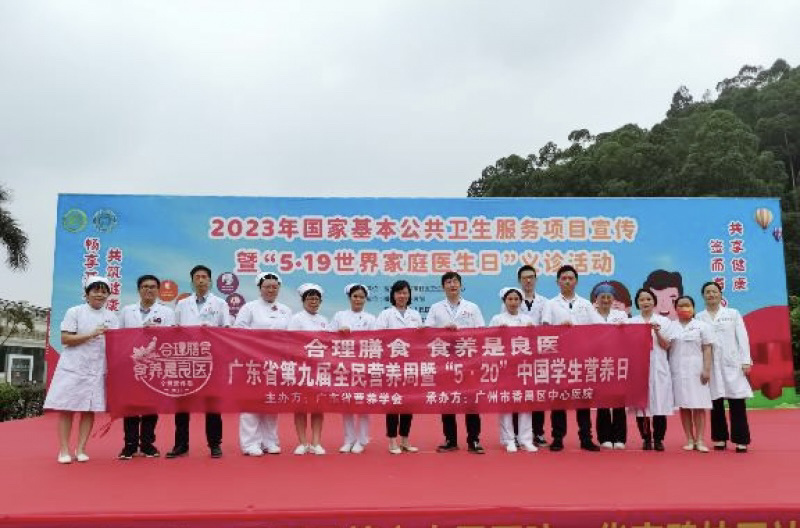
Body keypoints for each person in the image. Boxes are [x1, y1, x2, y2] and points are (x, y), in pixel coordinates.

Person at [44, 277, 119, 464]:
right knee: (67, 408)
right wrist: (92, 334)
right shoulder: (75, 312)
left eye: (104, 291)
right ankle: (64, 449)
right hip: (74, 367)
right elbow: (66, 339)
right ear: (87, 294)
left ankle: (81, 448)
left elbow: (116, 343)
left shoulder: (112, 317)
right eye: (96, 291)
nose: (100, 294)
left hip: (97, 368)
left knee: (89, 409)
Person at [167, 265, 232, 459]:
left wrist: (211, 329)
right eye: (197, 277)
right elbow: (174, 330)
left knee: (212, 403)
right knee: (182, 404)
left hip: (211, 359)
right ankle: (181, 445)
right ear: (192, 281)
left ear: (210, 281)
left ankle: (215, 444)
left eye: (204, 277)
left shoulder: (220, 304)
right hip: (186, 359)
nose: (201, 280)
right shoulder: (182, 304)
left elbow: (227, 330)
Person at [541, 265, 603, 452]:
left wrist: (620, 325)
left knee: (583, 398)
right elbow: (545, 329)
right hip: (559, 358)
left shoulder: (585, 304)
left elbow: (600, 326)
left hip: (581, 358)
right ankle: (558, 438)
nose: (567, 281)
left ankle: (586, 438)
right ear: (557, 282)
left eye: (570, 278)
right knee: (559, 400)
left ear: (576, 281)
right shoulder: (550, 304)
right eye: (564, 278)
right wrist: (559, 328)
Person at [426, 271, 486, 454]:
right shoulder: (436, 308)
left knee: (471, 401)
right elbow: (428, 332)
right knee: (447, 400)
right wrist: (443, 330)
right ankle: (450, 440)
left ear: (461, 285)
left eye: (455, 282)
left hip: (468, 359)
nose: (452, 285)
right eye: (448, 282)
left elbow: (481, 331)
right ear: (443, 286)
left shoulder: (472, 307)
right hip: (444, 360)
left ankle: (474, 439)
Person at [117, 274, 176, 460]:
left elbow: (172, 338)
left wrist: (159, 332)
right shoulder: (127, 311)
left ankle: (147, 444)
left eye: (152, 287)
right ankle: (129, 445)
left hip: (154, 364)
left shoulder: (167, 312)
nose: (148, 290)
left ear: (158, 291)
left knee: (151, 405)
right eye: (145, 286)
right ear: (139, 290)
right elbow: (118, 337)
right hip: (130, 363)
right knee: (130, 405)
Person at [233, 272, 292, 456]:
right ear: (260, 288)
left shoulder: (285, 310)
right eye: (267, 287)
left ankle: (270, 441)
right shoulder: (249, 308)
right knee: (251, 403)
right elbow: (238, 332)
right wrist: (260, 341)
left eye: (274, 287)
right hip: (254, 362)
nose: (271, 290)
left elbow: (291, 336)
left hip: (276, 363)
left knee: (271, 401)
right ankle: (250, 443)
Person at [696, 281, 753, 453]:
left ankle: (741, 440)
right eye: (707, 292)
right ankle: (720, 438)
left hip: (732, 363)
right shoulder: (699, 317)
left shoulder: (732, 314)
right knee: (716, 402)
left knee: (737, 402)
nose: (711, 294)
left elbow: (742, 338)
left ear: (720, 294)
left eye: (714, 291)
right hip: (711, 365)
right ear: (703, 296)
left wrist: (746, 360)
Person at [374, 279, 422, 455]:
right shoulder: (386, 314)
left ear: (409, 295)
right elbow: (378, 337)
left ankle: (405, 439)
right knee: (394, 402)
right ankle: (392, 440)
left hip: (410, 365)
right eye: (399, 292)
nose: (402, 296)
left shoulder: (415, 315)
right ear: (393, 295)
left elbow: (420, 340)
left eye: (405, 292)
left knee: (408, 404)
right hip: (392, 366)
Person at [328, 283, 376, 454]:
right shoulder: (340, 316)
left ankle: (361, 440)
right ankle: (349, 439)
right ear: (349, 298)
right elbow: (327, 337)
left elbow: (375, 341)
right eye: (355, 296)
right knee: (346, 403)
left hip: (363, 366)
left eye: (361, 297)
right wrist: (338, 332)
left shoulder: (371, 319)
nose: (358, 300)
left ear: (365, 299)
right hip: (343, 366)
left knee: (362, 404)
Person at [491, 287, 537, 453]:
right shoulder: (497, 319)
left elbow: (536, 343)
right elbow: (488, 341)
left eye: (516, 299)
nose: (513, 302)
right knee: (507, 403)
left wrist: (532, 332)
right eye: (510, 299)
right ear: (504, 301)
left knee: (525, 403)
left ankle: (526, 439)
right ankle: (508, 439)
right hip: (505, 367)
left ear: (521, 301)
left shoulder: (528, 320)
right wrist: (498, 332)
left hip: (524, 367)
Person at [629, 288, 674, 451]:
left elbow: (667, 345)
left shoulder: (664, 322)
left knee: (660, 404)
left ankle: (659, 439)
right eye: (642, 300)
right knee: (642, 406)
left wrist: (657, 332)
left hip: (658, 367)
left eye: (648, 299)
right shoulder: (631, 322)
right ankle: (646, 439)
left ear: (654, 302)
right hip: (639, 369)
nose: (645, 302)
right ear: (637, 303)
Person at [668, 295, 714, 452]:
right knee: (684, 406)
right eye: (680, 306)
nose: (684, 308)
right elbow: (666, 347)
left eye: (687, 305)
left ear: (693, 307)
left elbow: (707, 348)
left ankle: (700, 440)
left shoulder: (702, 326)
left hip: (697, 370)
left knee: (699, 405)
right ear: (675, 309)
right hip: (678, 370)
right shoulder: (671, 326)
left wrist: (706, 369)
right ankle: (689, 439)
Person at [287, 283, 328, 455]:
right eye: (310, 299)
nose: (313, 302)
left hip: (319, 369)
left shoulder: (324, 320)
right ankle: (302, 442)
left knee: (318, 406)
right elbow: (291, 342)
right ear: (303, 301)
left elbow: (329, 344)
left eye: (317, 299)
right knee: (301, 406)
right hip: (301, 368)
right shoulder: (296, 319)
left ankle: (316, 442)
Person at [513, 265, 550, 447]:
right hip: (517, 354)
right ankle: (515, 433)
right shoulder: (512, 299)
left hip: (538, 354)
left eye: (531, 277)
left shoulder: (545, 302)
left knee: (537, 395)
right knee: (516, 394)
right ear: (519, 280)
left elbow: (547, 326)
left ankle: (538, 432)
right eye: (524, 278)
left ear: (535, 279)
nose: (528, 281)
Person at [592, 282, 630, 449]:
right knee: (602, 400)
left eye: (609, 297)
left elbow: (629, 336)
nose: (606, 300)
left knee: (619, 399)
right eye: (602, 297)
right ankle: (604, 437)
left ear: (613, 299)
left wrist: (624, 329)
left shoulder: (621, 315)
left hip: (618, 362)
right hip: (597, 362)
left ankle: (620, 437)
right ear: (596, 299)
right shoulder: (590, 315)